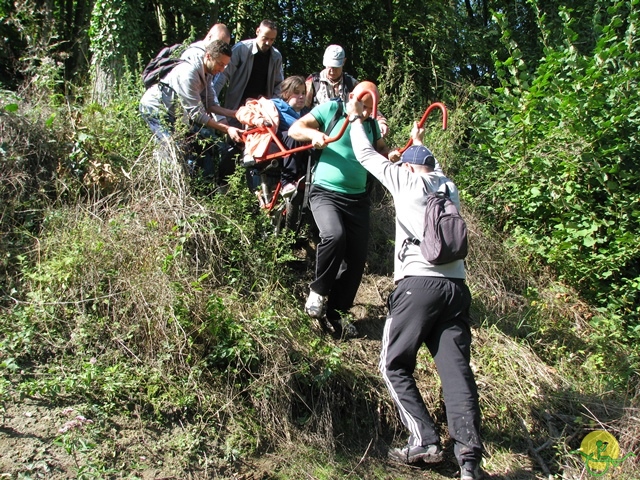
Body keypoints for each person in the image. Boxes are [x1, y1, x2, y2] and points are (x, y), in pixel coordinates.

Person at [347, 99, 484, 480]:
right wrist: (417, 140)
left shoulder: (405, 180)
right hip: (456, 289)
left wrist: (358, 119)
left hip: (417, 286)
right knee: (457, 374)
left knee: (392, 364)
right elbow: (431, 164)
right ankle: (469, 460)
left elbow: (363, 153)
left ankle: (423, 439)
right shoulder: (448, 187)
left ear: (408, 166)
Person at [288, 81, 388, 338]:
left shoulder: (371, 125)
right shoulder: (331, 110)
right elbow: (295, 128)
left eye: (370, 109)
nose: (365, 113)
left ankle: (338, 314)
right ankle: (318, 292)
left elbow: (381, 151)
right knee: (334, 236)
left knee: (356, 259)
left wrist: (392, 157)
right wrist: (314, 135)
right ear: (352, 97)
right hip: (325, 191)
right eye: (362, 107)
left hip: (357, 199)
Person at [139, 40, 243, 168]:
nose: (221, 70)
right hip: (156, 109)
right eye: (220, 64)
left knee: (189, 152)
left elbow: (209, 104)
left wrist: (235, 114)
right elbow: (197, 115)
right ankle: (163, 182)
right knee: (172, 151)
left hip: (174, 113)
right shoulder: (189, 74)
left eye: (225, 66)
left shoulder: (207, 72)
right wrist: (228, 129)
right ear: (208, 56)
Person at [235, 75, 309, 196]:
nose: (301, 96)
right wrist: (259, 120)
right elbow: (243, 112)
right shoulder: (273, 105)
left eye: (303, 93)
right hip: (277, 142)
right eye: (296, 93)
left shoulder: (306, 112)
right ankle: (287, 181)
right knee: (293, 135)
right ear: (286, 93)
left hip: (302, 145)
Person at [305, 45, 388, 137]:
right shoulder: (312, 83)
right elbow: (301, 111)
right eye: (329, 66)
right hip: (319, 136)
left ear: (343, 62)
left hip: (346, 134)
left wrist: (381, 122)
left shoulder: (352, 84)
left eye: (336, 67)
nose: (332, 71)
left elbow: (369, 105)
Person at [213, 19, 284, 119]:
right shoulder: (241, 49)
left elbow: (279, 85)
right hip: (237, 109)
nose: (268, 43)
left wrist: (273, 106)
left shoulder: (276, 56)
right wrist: (211, 104)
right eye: (265, 38)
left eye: (272, 40)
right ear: (258, 31)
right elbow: (222, 75)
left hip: (262, 112)